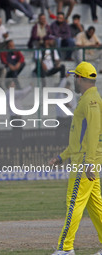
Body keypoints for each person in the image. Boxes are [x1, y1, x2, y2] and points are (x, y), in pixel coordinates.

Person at [49, 61, 102, 255]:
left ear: (80, 78)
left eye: (75, 77)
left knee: (74, 203)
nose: (74, 80)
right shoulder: (88, 99)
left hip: (84, 163)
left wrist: (89, 162)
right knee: (95, 204)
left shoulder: (91, 101)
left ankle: (65, 248)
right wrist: (61, 157)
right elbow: (79, 138)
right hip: (84, 160)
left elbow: (94, 133)